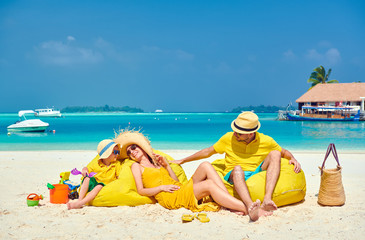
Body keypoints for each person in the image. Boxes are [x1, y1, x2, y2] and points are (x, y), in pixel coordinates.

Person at [116, 130, 271, 221]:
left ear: (142, 148)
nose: (132, 152)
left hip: (179, 189)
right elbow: (141, 191)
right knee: (209, 185)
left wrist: (167, 165)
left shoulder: (157, 162)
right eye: (129, 152)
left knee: (205, 165)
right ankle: (248, 208)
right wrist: (161, 187)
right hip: (170, 198)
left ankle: (227, 203)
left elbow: (175, 181)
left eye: (134, 148)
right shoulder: (136, 167)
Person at [174, 111, 301, 213]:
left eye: (239, 133)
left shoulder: (266, 141)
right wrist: (184, 160)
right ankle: (249, 205)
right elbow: (207, 151)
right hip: (233, 174)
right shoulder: (228, 138)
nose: (235, 134)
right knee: (238, 168)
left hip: (256, 172)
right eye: (235, 130)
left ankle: (267, 198)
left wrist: (293, 158)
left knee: (275, 153)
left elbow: (284, 152)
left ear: (250, 133)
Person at [67, 139, 121, 210]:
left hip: (104, 187)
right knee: (87, 178)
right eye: (115, 152)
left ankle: (81, 203)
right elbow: (87, 168)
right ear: (107, 154)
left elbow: (119, 177)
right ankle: (79, 200)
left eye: (118, 152)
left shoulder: (116, 164)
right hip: (94, 184)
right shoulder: (97, 162)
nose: (117, 154)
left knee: (99, 185)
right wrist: (84, 170)